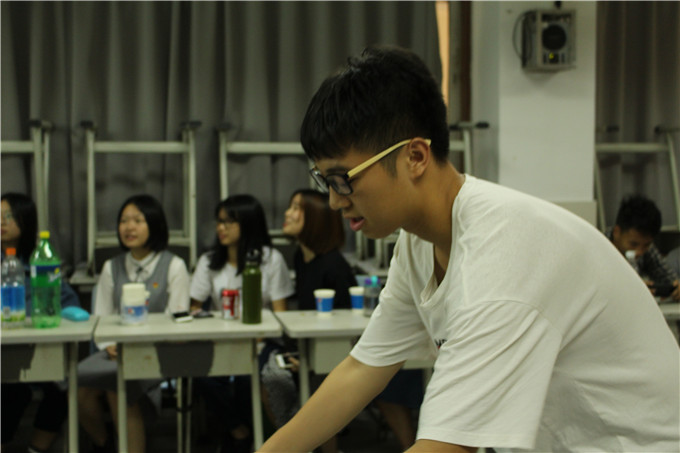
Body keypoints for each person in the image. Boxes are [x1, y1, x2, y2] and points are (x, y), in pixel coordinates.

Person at [259, 46, 679, 453]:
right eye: (324, 181)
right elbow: (362, 369)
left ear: (415, 156)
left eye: (342, 179)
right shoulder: (419, 243)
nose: (334, 201)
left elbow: (448, 444)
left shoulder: (503, 250)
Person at [281, 188, 422, 452]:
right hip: (320, 347)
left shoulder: (333, 265)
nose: (288, 214)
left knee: (322, 383)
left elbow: (350, 325)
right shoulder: (301, 258)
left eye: (297, 208)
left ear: (315, 218)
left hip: (347, 349)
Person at [77, 194, 191, 453]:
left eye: (138, 220)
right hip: (114, 352)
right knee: (79, 387)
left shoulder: (174, 266)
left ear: (155, 225)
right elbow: (101, 317)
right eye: (124, 221)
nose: (129, 227)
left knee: (118, 386)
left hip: (157, 352)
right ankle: (105, 445)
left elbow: (177, 322)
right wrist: (108, 344)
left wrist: (138, 346)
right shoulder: (111, 267)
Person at [190, 194, 294, 453]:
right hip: (221, 340)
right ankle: (240, 431)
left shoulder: (270, 259)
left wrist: (260, 335)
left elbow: (281, 314)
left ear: (248, 223)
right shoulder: (209, 261)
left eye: (229, 222)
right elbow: (194, 309)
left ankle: (254, 439)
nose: (221, 228)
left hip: (263, 342)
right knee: (202, 377)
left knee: (248, 378)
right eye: (219, 221)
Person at [1, 192, 81, 453]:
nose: (1, 222)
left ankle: (36, 449)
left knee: (62, 387)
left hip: (36, 349)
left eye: (8, 216)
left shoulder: (40, 260)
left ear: (25, 220)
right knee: (12, 390)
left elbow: (68, 302)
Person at [609, 195, 680, 301]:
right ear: (616, 232)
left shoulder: (646, 248)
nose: (639, 252)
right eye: (633, 244)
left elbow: (669, 279)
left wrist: (676, 288)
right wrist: (629, 289)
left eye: (646, 245)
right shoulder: (598, 249)